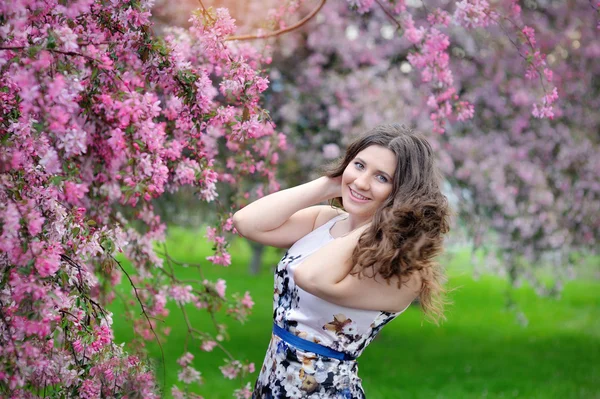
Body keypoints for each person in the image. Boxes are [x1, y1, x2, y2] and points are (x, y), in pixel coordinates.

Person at [233, 124, 451, 398]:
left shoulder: (401, 267)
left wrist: (384, 221)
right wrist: (332, 182)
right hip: (272, 384)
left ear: (403, 195)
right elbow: (247, 222)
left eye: (381, 178)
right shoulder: (325, 221)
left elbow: (310, 276)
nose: (362, 182)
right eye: (359, 165)